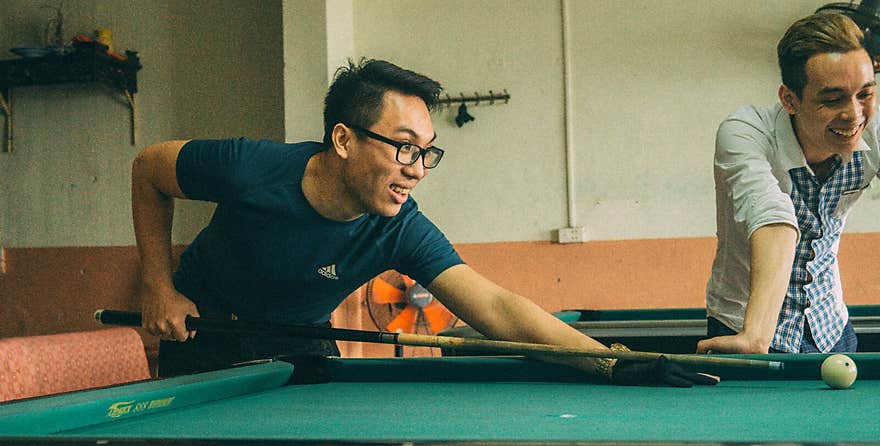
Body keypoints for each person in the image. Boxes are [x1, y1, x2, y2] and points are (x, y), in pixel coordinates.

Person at [131, 58, 711, 386]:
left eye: (428, 152)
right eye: (404, 147)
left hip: (298, 349)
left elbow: (496, 307)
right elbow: (148, 170)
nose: (418, 170)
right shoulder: (250, 167)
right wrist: (160, 286)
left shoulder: (399, 226)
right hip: (203, 334)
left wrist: (612, 361)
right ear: (343, 140)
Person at [698, 12, 875, 355]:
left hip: (831, 331)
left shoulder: (875, 129)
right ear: (790, 100)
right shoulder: (745, 131)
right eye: (833, 98)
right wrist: (757, 336)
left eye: (865, 94)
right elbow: (774, 217)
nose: (854, 115)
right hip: (746, 330)